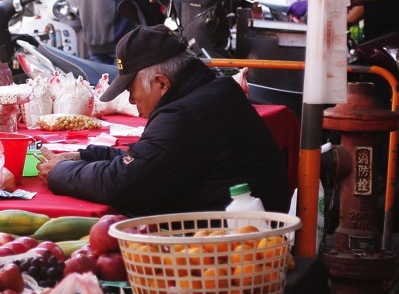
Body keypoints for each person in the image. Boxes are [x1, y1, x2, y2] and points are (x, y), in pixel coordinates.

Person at [39, 25, 289, 215]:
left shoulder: (185, 116)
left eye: (131, 90)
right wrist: (84, 156)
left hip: (227, 244)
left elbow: (123, 184)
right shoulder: (213, 92)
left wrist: (60, 173)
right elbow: (149, 158)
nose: (132, 101)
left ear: (161, 83)